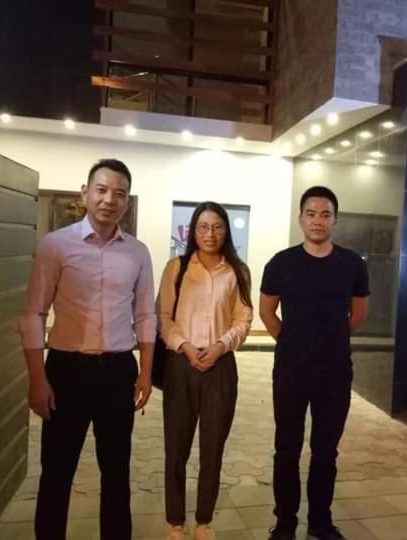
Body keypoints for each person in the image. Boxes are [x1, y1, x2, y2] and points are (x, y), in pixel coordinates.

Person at [18, 159, 156, 540]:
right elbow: (33, 313)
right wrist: (37, 379)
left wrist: (145, 371)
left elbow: (145, 313)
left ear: (126, 202)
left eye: (119, 193)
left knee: (116, 472)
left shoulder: (138, 253)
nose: (109, 199)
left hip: (117, 372)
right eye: (102, 190)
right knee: (57, 471)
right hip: (66, 371)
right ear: (85, 193)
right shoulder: (55, 245)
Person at [260, 186, 370, 540]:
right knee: (287, 449)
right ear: (300, 219)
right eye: (311, 213)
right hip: (291, 372)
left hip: (335, 373)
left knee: (326, 451)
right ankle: (286, 523)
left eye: (325, 214)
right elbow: (266, 310)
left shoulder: (352, 264)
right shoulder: (281, 263)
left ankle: (320, 522)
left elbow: (357, 315)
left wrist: (328, 339)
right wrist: (291, 339)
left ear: (335, 220)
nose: (318, 220)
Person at [158, 201, 253, 540]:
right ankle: (175, 523)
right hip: (181, 366)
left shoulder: (237, 271)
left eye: (217, 227)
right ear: (193, 230)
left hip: (220, 368)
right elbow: (164, 318)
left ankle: (203, 522)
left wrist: (219, 346)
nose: (210, 233)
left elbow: (244, 319)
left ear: (226, 230)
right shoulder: (177, 268)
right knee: (176, 448)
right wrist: (184, 346)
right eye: (202, 226)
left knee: (212, 448)